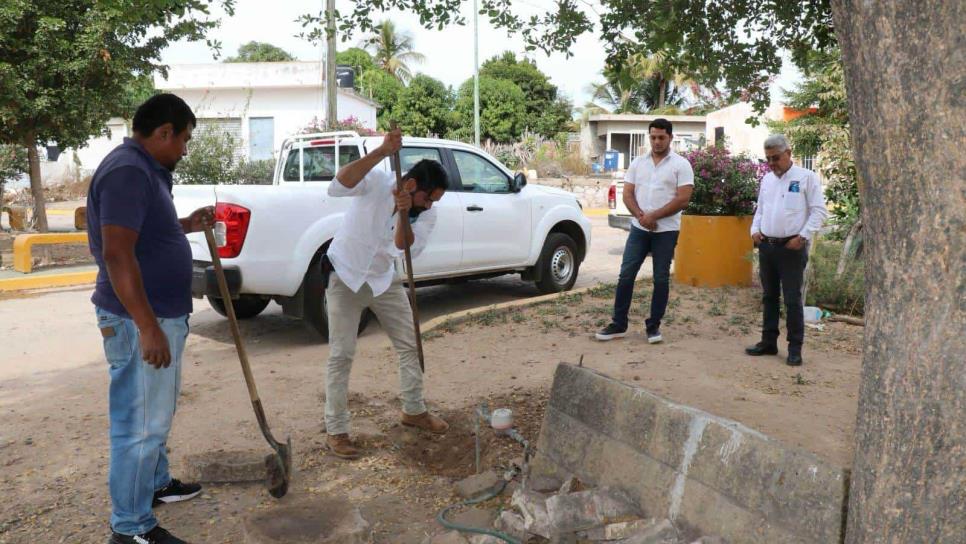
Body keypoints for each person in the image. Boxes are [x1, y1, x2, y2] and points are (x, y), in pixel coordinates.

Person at [87, 93, 213, 544]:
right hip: (137, 318)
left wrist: (185, 225)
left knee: (157, 412)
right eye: (183, 140)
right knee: (139, 424)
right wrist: (147, 326)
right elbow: (118, 253)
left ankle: (155, 484)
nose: (184, 149)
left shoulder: (144, 171)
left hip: (157, 314)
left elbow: (142, 233)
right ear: (163, 133)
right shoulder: (127, 171)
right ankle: (130, 528)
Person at [323, 127, 450, 459]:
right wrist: (381, 151)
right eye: (428, 198)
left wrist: (407, 212)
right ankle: (336, 431)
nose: (431, 205)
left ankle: (414, 410)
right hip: (345, 275)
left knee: (410, 344)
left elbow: (402, 245)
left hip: (384, 280)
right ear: (410, 184)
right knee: (341, 355)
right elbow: (339, 185)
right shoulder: (377, 181)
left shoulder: (426, 213)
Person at [596, 118, 694, 344]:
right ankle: (618, 323)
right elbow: (627, 194)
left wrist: (654, 216)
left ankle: (653, 326)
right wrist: (642, 216)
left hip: (666, 231)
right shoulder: (638, 163)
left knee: (660, 279)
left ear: (670, 137)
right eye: (653, 137)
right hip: (639, 229)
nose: (657, 141)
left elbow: (683, 199)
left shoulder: (681, 165)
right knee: (626, 274)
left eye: (661, 137)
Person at [745, 134, 828, 366]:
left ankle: (795, 348)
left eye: (776, 158)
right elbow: (760, 209)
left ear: (789, 153)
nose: (772, 164)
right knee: (769, 296)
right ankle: (768, 342)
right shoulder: (767, 180)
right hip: (767, 246)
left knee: (792, 299)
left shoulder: (806, 178)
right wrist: (754, 230)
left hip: (792, 248)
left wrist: (803, 236)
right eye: (768, 159)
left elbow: (819, 211)